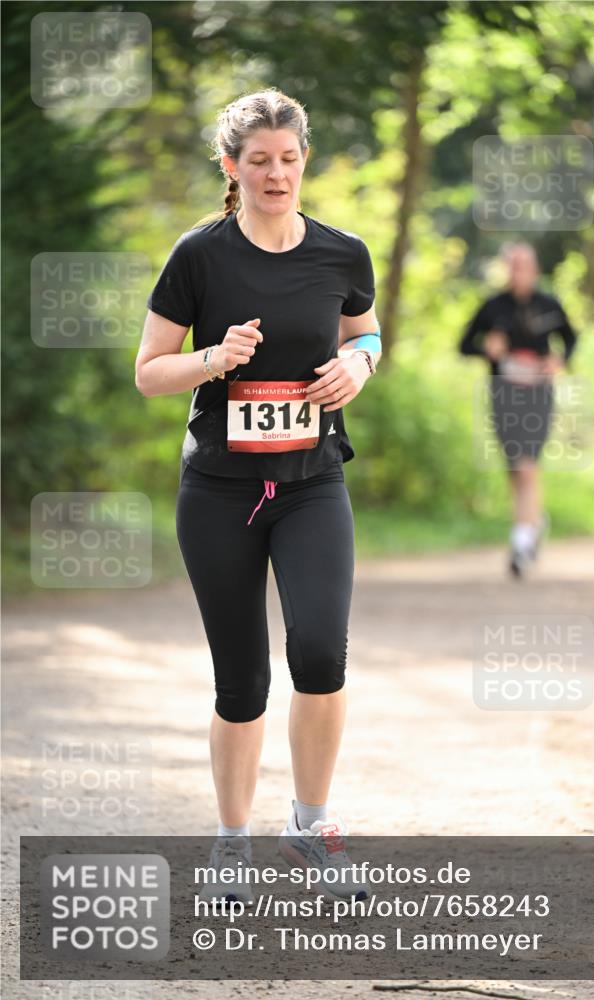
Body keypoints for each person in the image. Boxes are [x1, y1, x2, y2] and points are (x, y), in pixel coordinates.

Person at [135, 88, 381, 902]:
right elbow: (147, 373)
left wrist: (362, 364)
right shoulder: (199, 256)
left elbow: (365, 329)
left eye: (288, 158)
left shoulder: (342, 252)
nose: (276, 174)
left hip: (312, 485)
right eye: (258, 161)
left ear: (304, 156)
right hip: (218, 492)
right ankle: (231, 843)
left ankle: (310, 826)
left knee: (319, 652)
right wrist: (211, 359)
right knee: (241, 679)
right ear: (231, 167)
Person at [458, 243, 577, 577]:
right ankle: (534, 522)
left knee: (527, 466)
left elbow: (571, 339)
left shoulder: (549, 304)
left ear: (535, 269)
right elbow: (464, 344)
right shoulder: (493, 307)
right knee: (514, 468)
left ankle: (521, 544)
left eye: (524, 265)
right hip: (503, 394)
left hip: (538, 394)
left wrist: (560, 360)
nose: (518, 271)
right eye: (512, 266)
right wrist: (486, 349)